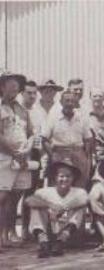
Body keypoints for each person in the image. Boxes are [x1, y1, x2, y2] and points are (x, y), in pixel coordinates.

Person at [25, 159, 88, 258]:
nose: (65, 179)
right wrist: (50, 205)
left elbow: (84, 200)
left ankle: (60, 241)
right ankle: (43, 242)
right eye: (61, 176)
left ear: (73, 178)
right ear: (55, 178)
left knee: (80, 208)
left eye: (68, 176)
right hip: (49, 228)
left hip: (68, 232)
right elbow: (29, 201)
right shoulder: (44, 192)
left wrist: (63, 208)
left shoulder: (79, 191)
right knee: (36, 208)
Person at [0, 71, 33, 250]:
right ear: (2, 86)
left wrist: (26, 150)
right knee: (2, 197)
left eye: (17, 85)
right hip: (4, 157)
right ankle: (0, 237)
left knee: (15, 197)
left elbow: (30, 133)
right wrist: (14, 152)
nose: (14, 87)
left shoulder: (22, 109)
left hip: (22, 158)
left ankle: (8, 235)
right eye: (10, 84)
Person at [42, 91, 93, 189]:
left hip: (78, 153)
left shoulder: (82, 117)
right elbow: (44, 139)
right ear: (61, 102)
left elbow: (88, 139)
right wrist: (53, 155)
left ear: (75, 103)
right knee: (58, 185)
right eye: (67, 100)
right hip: (60, 154)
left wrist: (85, 157)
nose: (69, 103)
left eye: (72, 101)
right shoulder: (53, 117)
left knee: (80, 185)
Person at [20, 80, 45, 241]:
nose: (32, 96)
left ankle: (26, 229)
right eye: (28, 93)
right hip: (17, 154)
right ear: (22, 93)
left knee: (30, 192)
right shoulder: (16, 110)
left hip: (34, 155)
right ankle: (8, 231)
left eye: (34, 93)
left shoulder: (39, 113)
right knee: (12, 194)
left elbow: (41, 137)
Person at [89, 87, 104, 162]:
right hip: (91, 154)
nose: (97, 98)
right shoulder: (84, 116)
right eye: (95, 96)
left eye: (100, 96)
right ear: (90, 97)